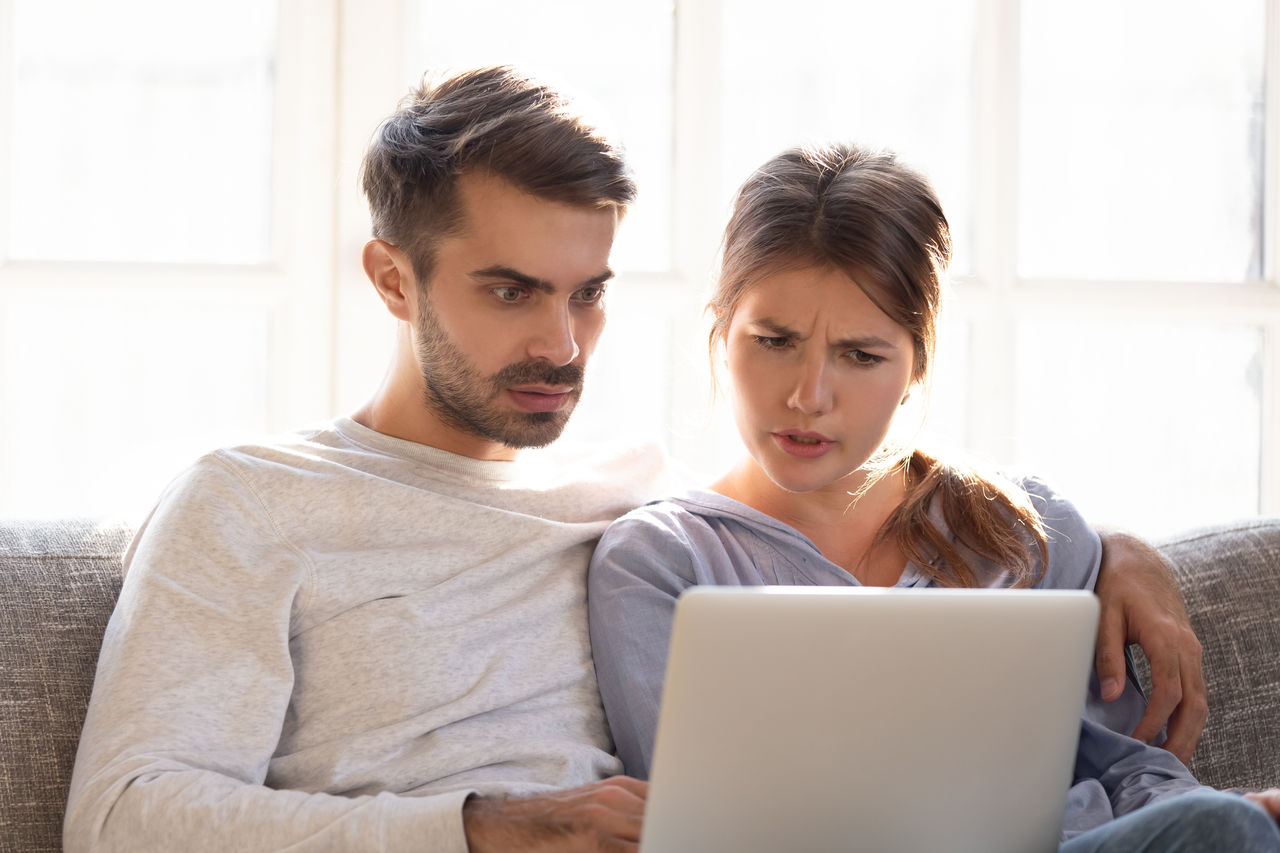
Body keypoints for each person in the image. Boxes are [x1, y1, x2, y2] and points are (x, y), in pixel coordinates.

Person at [63, 67, 1206, 852]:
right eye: (509, 291)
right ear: (391, 278)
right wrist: (479, 827)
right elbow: (119, 816)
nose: (561, 347)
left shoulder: (623, 495)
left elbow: (853, 529)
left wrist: (1113, 553)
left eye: (588, 293)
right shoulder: (250, 499)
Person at [587, 142, 1280, 849]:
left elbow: (1129, 771)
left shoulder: (1025, 534)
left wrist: (1233, 817)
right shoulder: (659, 562)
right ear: (720, 335)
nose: (807, 395)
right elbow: (688, 824)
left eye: (861, 355)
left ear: (918, 361)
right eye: (774, 340)